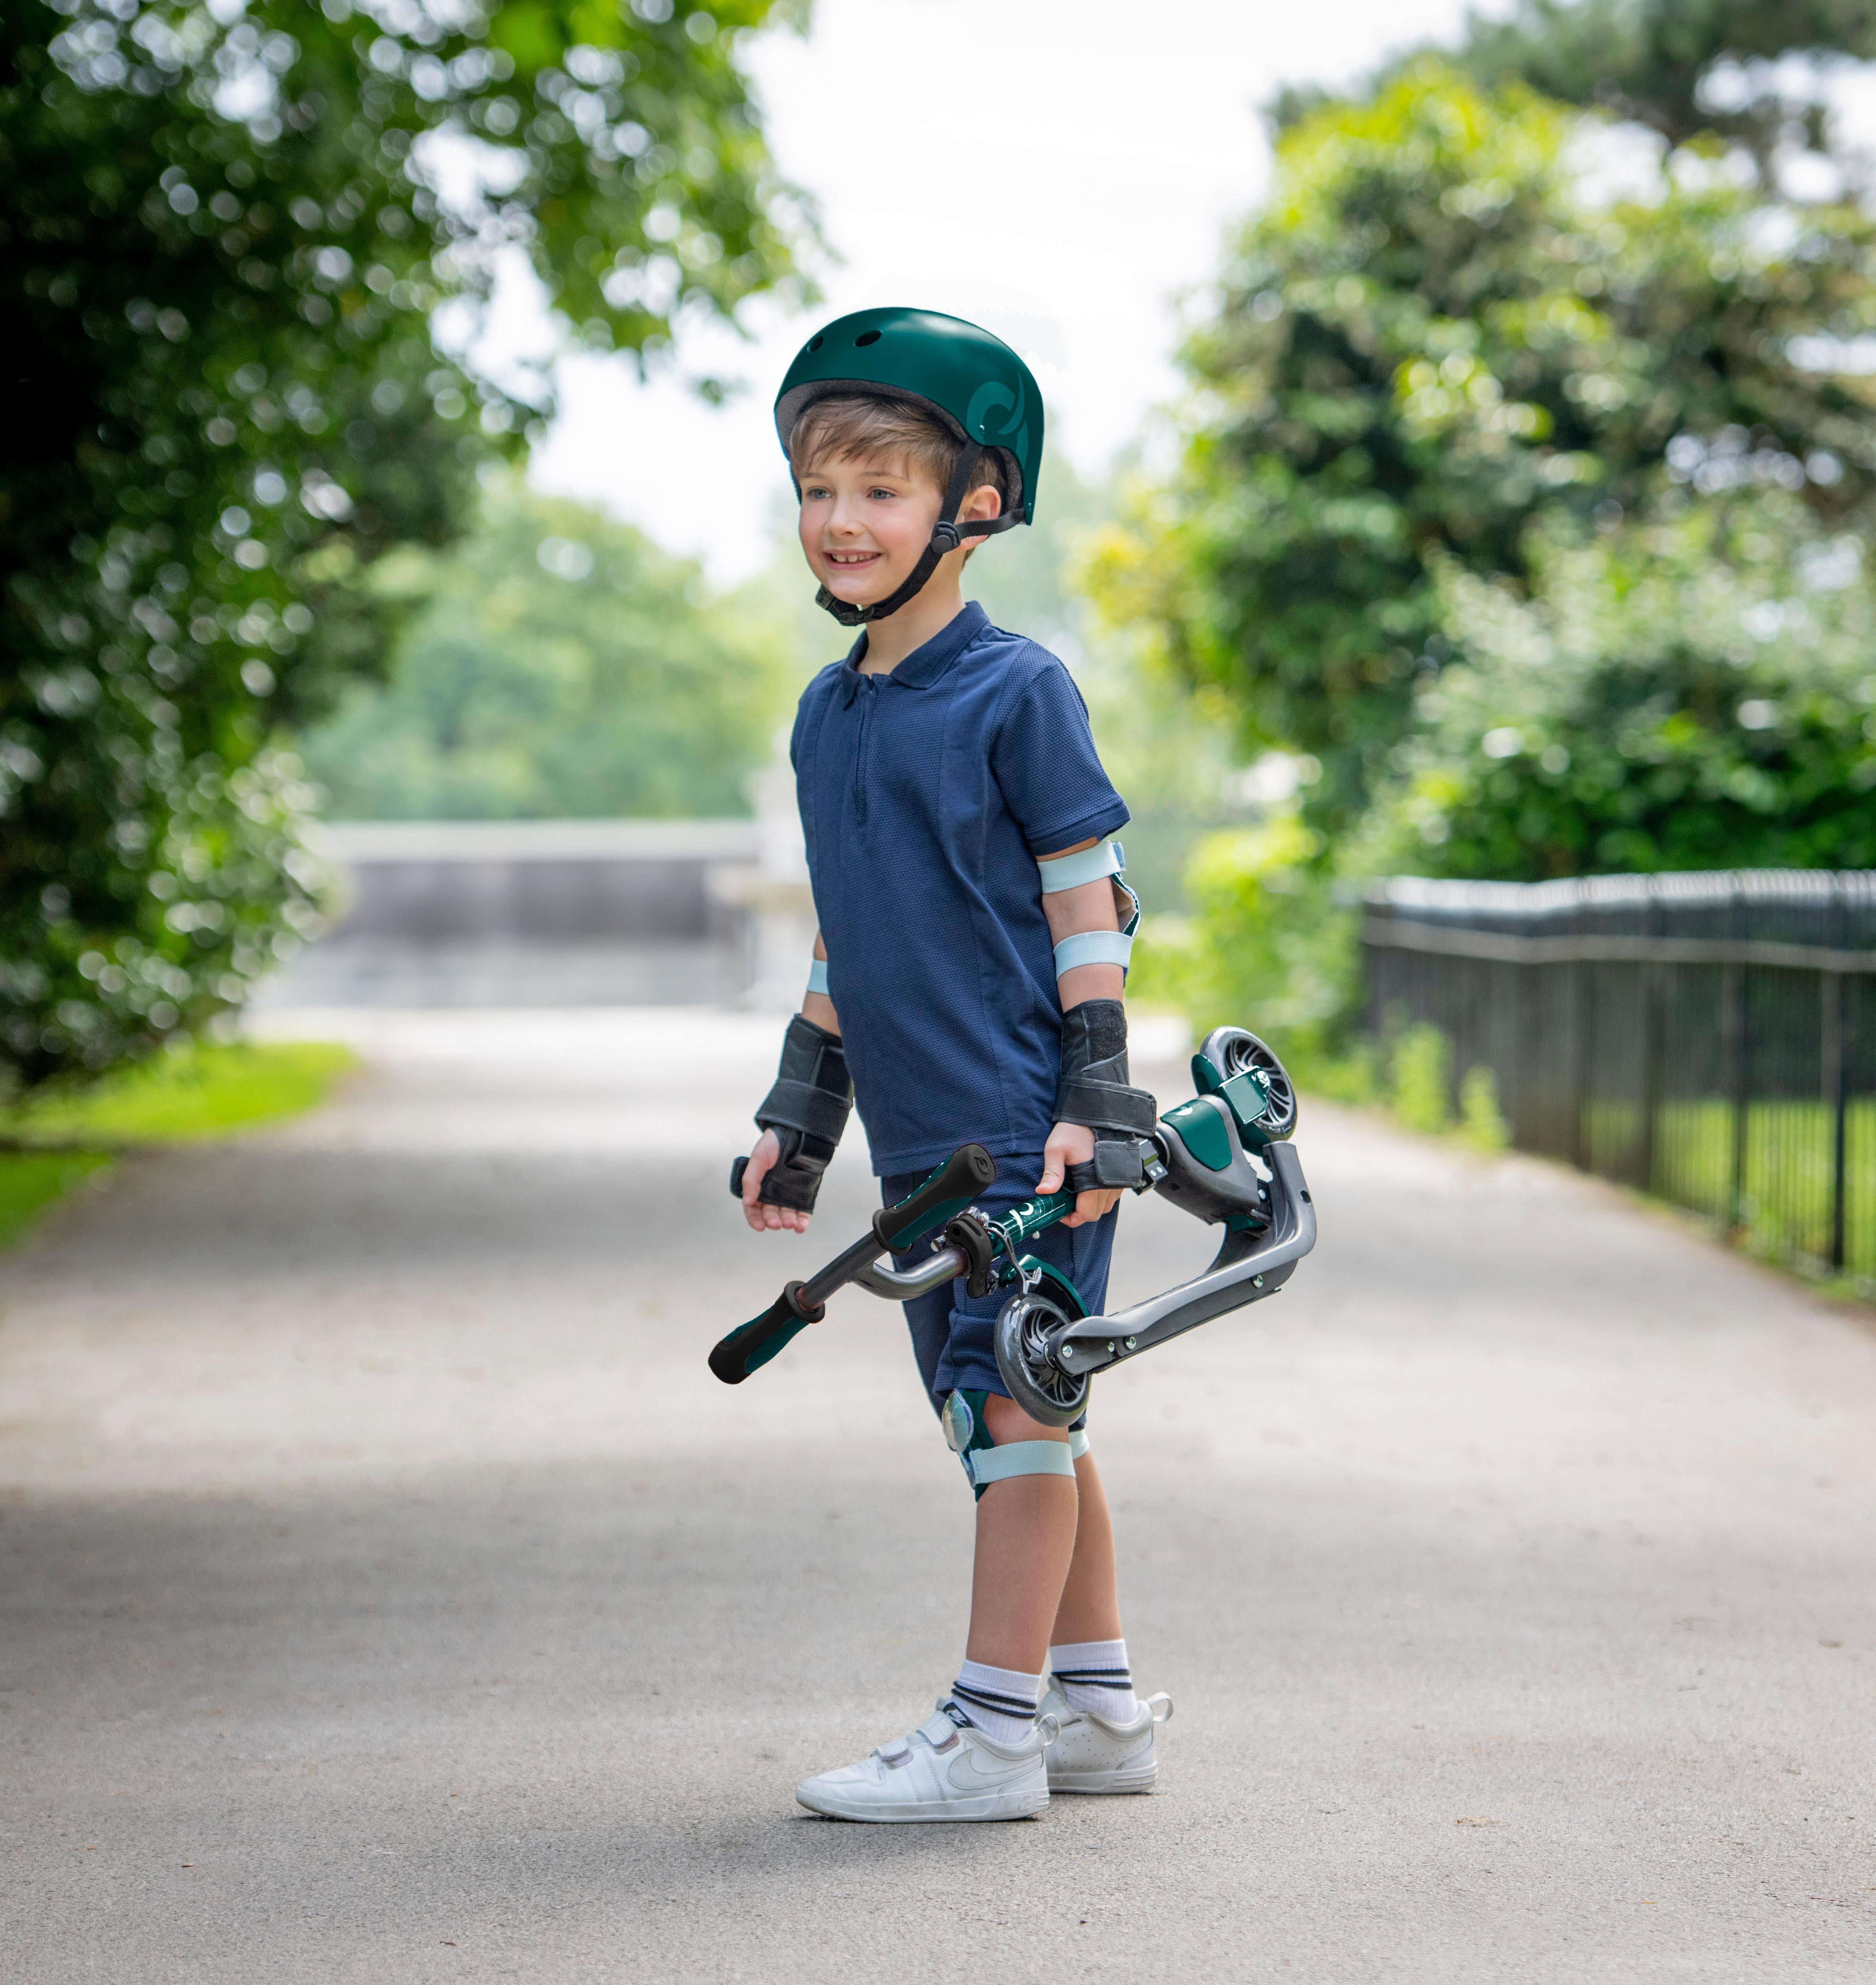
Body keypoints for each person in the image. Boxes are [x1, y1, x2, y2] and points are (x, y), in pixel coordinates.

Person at [736, 307, 1170, 1822]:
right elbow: (847, 934)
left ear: (971, 506)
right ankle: (1096, 1710)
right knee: (1014, 1407)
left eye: (879, 490)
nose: (839, 521)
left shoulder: (1015, 692)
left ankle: (992, 1736)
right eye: (818, 488)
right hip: (918, 1134)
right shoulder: (828, 714)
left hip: (1022, 1122)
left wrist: (1096, 1099)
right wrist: (801, 1112)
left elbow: (1083, 907)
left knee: (1013, 1406)